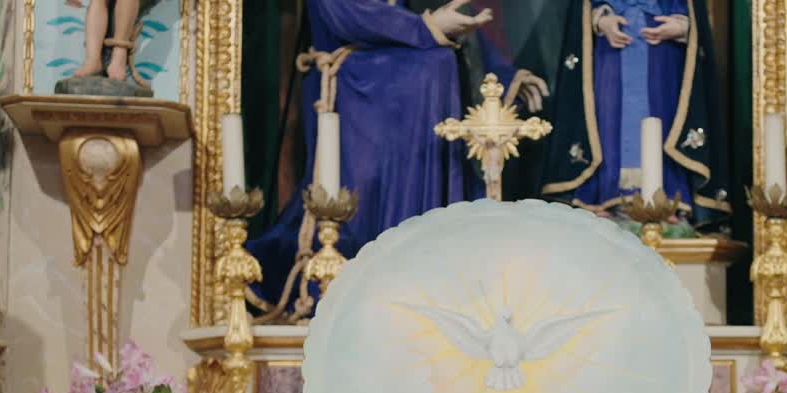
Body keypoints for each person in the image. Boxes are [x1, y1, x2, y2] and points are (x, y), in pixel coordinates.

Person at [247, 0, 548, 309]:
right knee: (360, 196)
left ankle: (427, 285)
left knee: (437, 63)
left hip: (409, 78)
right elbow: (345, 14)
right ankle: (363, 291)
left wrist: (498, 76)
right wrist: (426, 28)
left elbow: (452, 10)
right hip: (357, 85)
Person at [541, 0, 730, 228]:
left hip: (663, 50)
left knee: (663, 117)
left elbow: (691, 8)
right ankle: (610, 198)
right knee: (608, 120)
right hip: (610, 48)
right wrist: (600, 20)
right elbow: (581, 7)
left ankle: (668, 199)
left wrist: (683, 26)